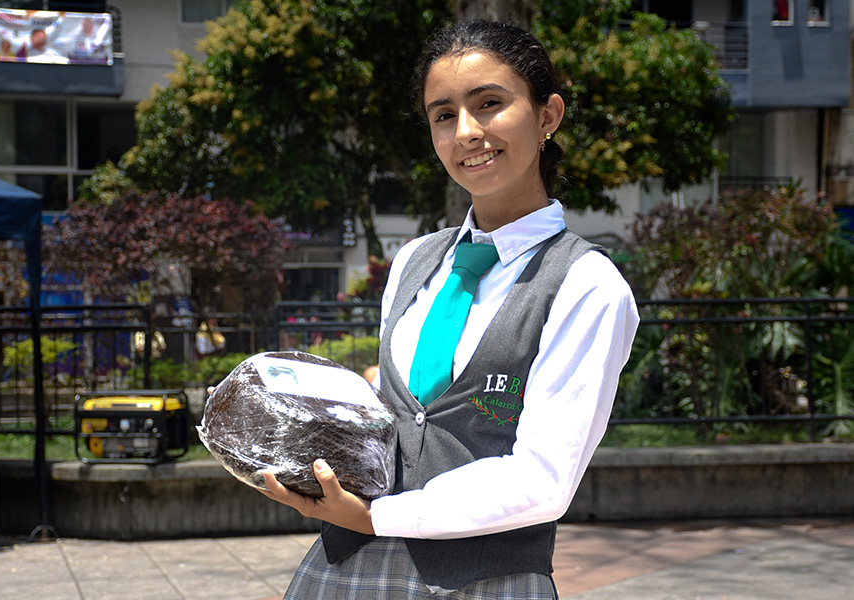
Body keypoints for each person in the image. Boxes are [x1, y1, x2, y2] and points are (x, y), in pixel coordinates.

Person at [255, 20, 639, 599]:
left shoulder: (587, 284)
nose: (466, 132)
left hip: (487, 580)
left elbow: (544, 478)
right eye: (443, 114)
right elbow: (400, 417)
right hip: (346, 565)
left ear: (548, 116)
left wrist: (378, 516)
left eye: (489, 104)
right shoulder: (415, 260)